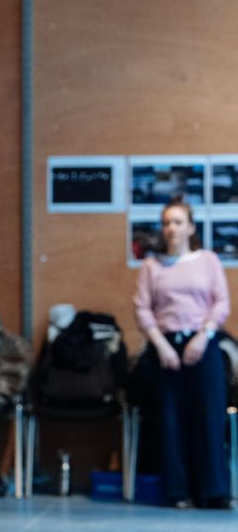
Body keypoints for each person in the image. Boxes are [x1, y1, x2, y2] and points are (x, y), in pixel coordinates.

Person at [133, 197, 231, 509]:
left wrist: (203, 336)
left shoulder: (208, 261)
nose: (171, 228)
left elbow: (221, 302)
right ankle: (177, 491)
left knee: (210, 417)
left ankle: (213, 491)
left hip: (203, 343)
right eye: (166, 223)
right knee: (170, 419)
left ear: (190, 227)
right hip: (165, 347)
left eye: (177, 222)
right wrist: (161, 345)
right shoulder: (152, 266)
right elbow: (142, 309)